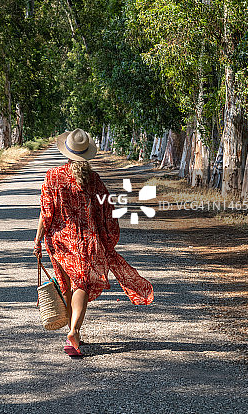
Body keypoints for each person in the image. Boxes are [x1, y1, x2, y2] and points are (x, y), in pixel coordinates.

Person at [33, 128, 154, 358]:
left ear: (67, 152)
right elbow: (107, 211)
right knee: (82, 285)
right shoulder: (94, 180)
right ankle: (74, 331)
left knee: (66, 284)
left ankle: (72, 333)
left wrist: (37, 240)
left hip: (59, 240)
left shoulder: (52, 177)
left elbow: (45, 213)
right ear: (87, 154)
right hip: (85, 241)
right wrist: (107, 238)